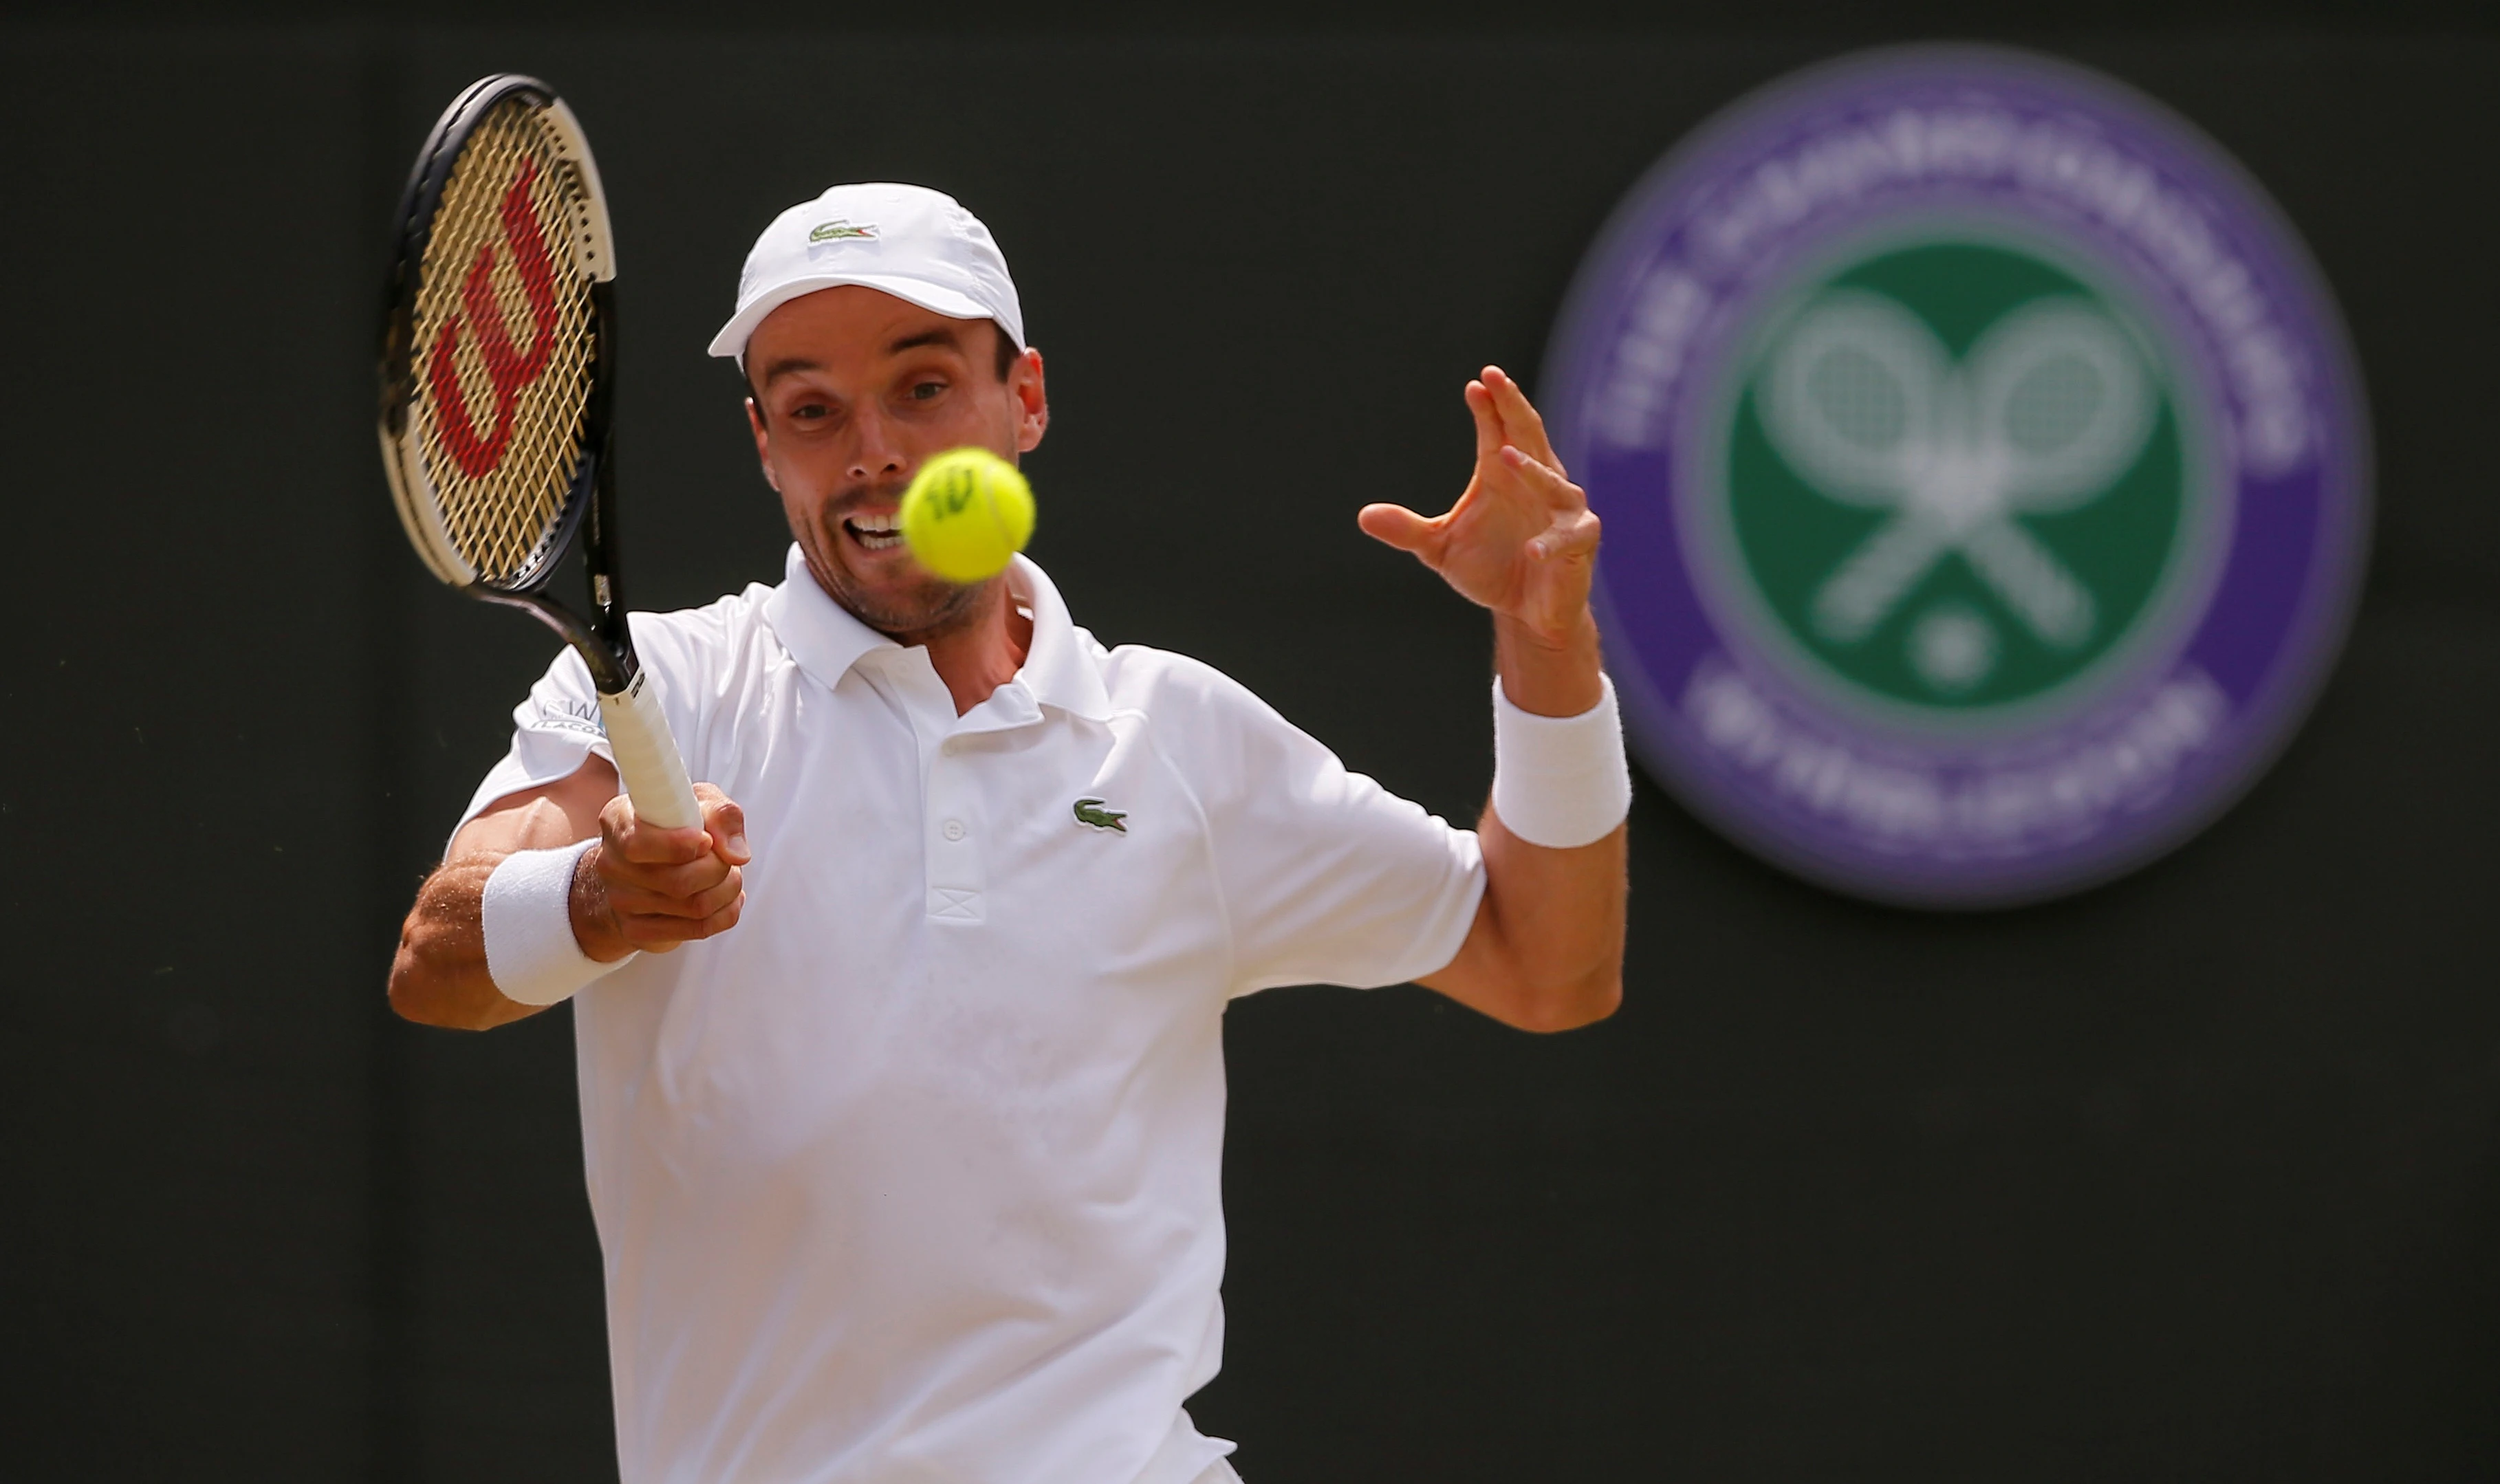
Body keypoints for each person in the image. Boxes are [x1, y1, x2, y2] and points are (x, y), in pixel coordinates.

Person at [387, 183, 1630, 1484]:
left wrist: (1546, 648)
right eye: (813, 409)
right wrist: (594, 898)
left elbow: (1546, 962)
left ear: (1023, 400)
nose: (870, 448)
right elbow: (438, 956)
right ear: (766, 442)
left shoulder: (1179, 737)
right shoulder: (672, 689)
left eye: (922, 387)